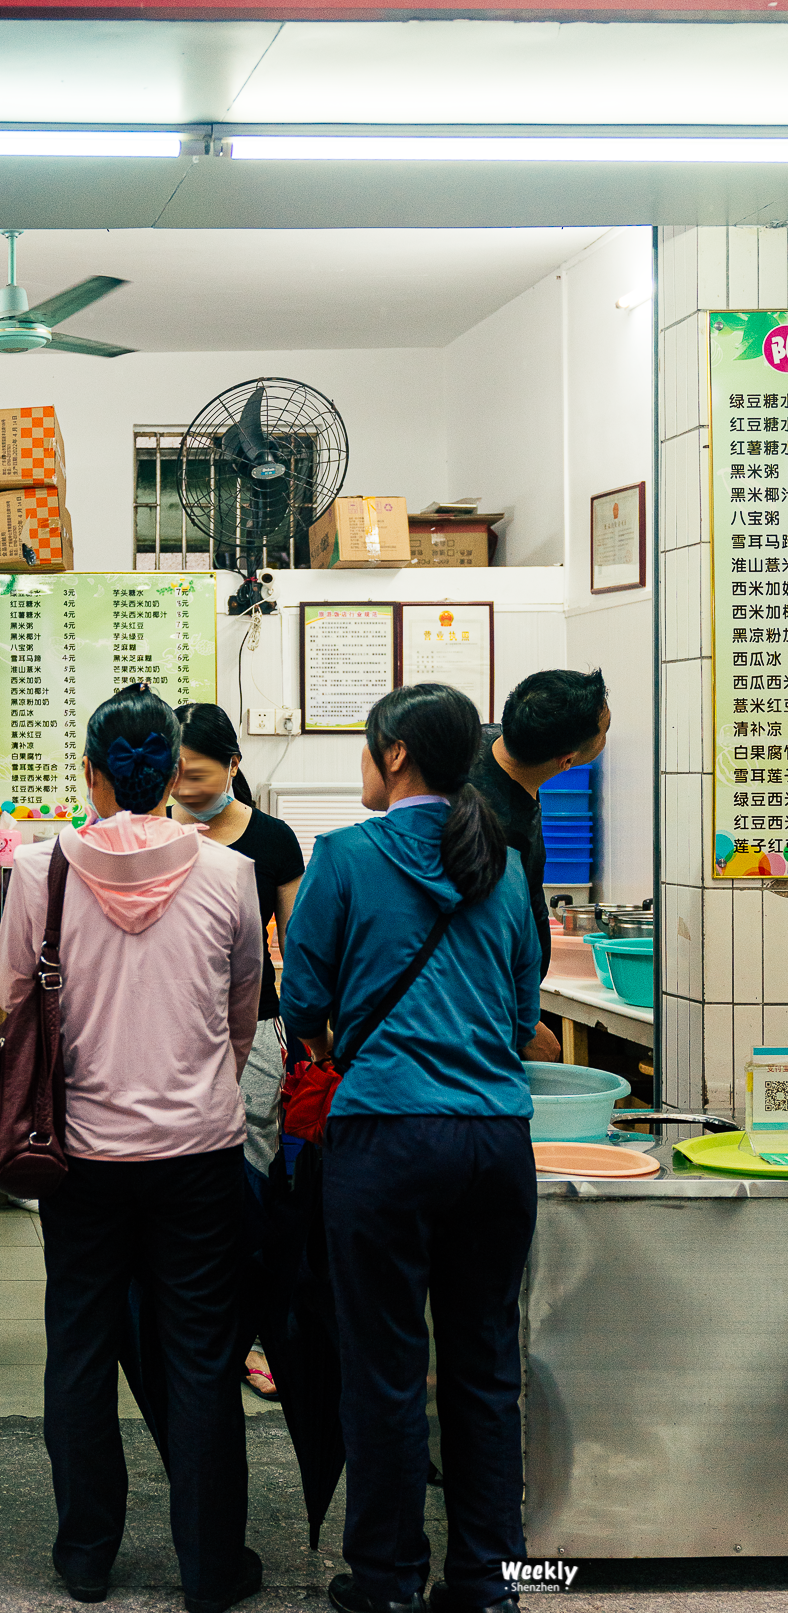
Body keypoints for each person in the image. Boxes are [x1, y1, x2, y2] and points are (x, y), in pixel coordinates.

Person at [280, 683, 545, 1613]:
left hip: (385, 1141)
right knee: (486, 1368)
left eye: (367, 746)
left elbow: (302, 1000)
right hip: (495, 1144)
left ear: (395, 755)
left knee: (385, 1370)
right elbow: (521, 1016)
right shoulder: (501, 864)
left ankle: (389, 1582)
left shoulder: (346, 856)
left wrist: (342, 1045)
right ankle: (490, 1583)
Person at [0, 684, 264, 1613]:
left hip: (78, 1156)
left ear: (91, 773)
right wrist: (196, 1087)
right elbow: (240, 1011)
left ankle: (84, 1557)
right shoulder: (230, 873)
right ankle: (210, 1567)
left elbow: (11, 1004)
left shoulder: (41, 872)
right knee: (201, 1355)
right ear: (172, 773)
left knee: (79, 1346)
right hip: (200, 1155)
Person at [170, 703, 305, 1400]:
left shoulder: (272, 840)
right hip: (171, 1032)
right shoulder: (152, 837)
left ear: (233, 765)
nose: (184, 788)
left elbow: (300, 949)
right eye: (174, 774)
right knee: (181, 1180)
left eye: (197, 774)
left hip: (253, 1029)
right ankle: (191, 1322)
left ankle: (252, 1331)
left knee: (250, 1177)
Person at [470, 669, 609, 1057]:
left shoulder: (490, 740)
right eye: (604, 731)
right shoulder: (489, 830)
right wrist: (523, 1024)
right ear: (567, 761)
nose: (606, 737)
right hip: (485, 1016)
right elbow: (476, 943)